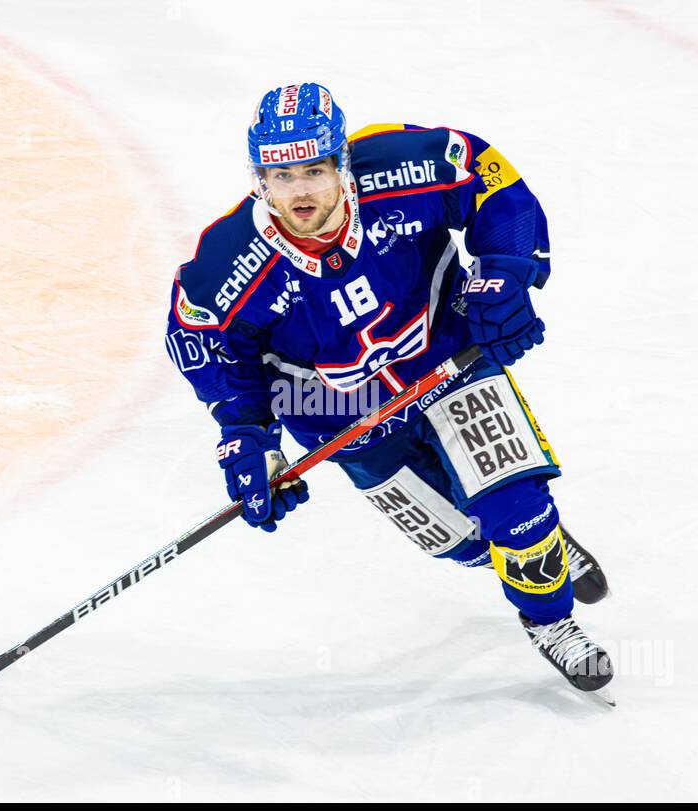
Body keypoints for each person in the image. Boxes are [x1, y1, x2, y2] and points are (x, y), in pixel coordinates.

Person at [164, 83, 613, 695]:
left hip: (449, 359)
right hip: (334, 411)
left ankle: (551, 618)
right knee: (460, 540)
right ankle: (530, 552)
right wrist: (247, 435)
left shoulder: (403, 168)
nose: (299, 191)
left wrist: (503, 278)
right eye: (281, 174)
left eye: (315, 170)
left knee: (517, 512)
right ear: (258, 178)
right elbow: (212, 345)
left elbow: (491, 181)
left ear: (342, 164)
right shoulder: (226, 260)